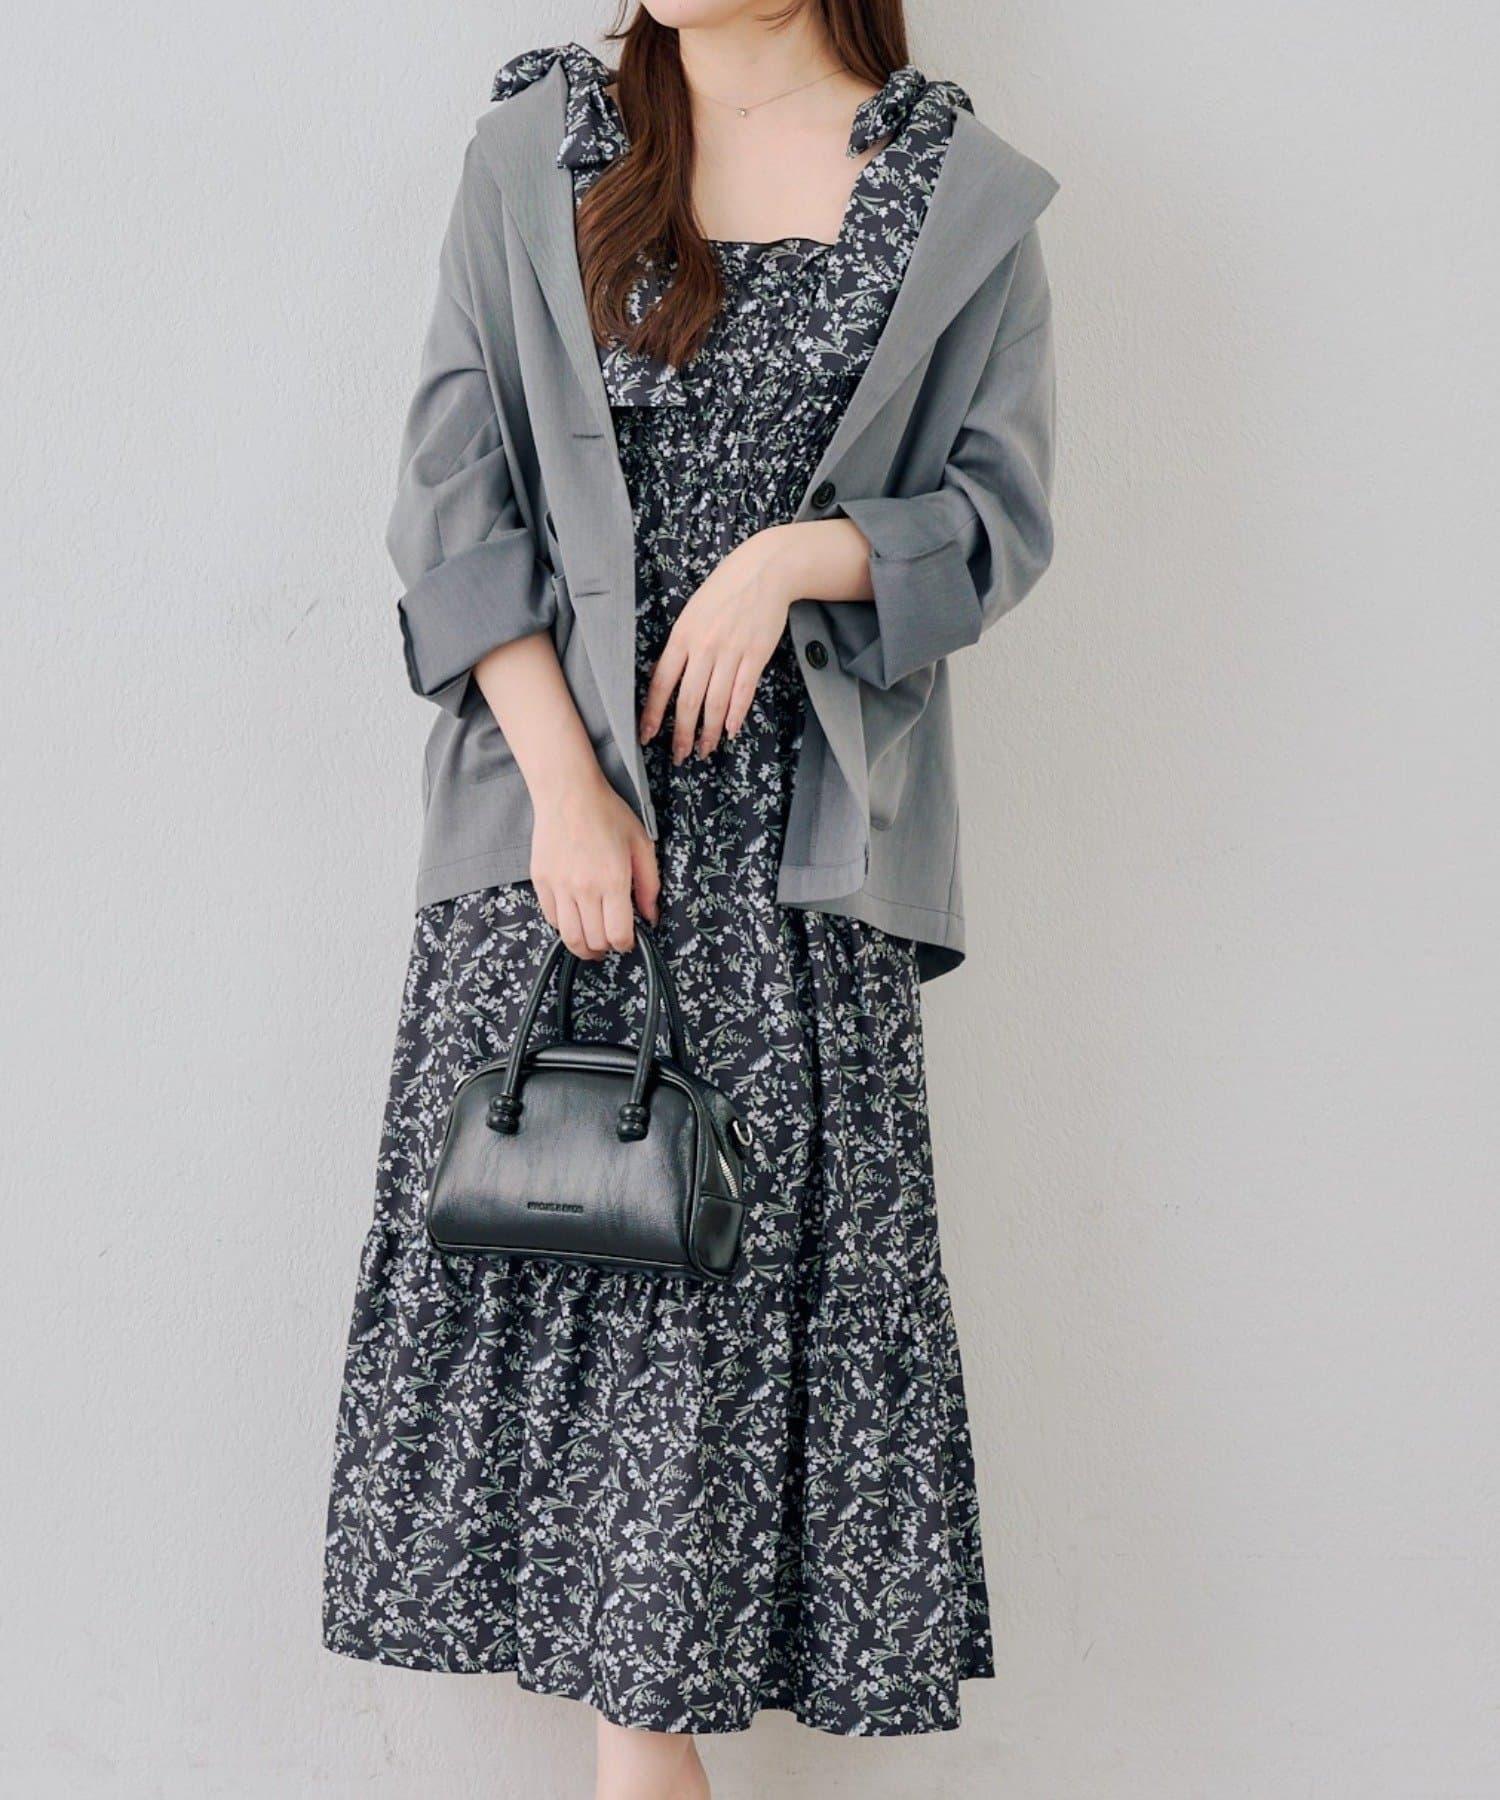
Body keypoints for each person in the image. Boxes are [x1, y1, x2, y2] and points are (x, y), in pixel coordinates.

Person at [323, 6, 1058, 1795]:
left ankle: (645, 1768)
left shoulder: (958, 195)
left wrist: (793, 560)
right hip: (561, 860)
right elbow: (452, 502)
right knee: (580, 1343)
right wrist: (566, 790)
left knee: (714, 1357)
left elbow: (997, 522)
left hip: (798, 882)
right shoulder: (538, 151)